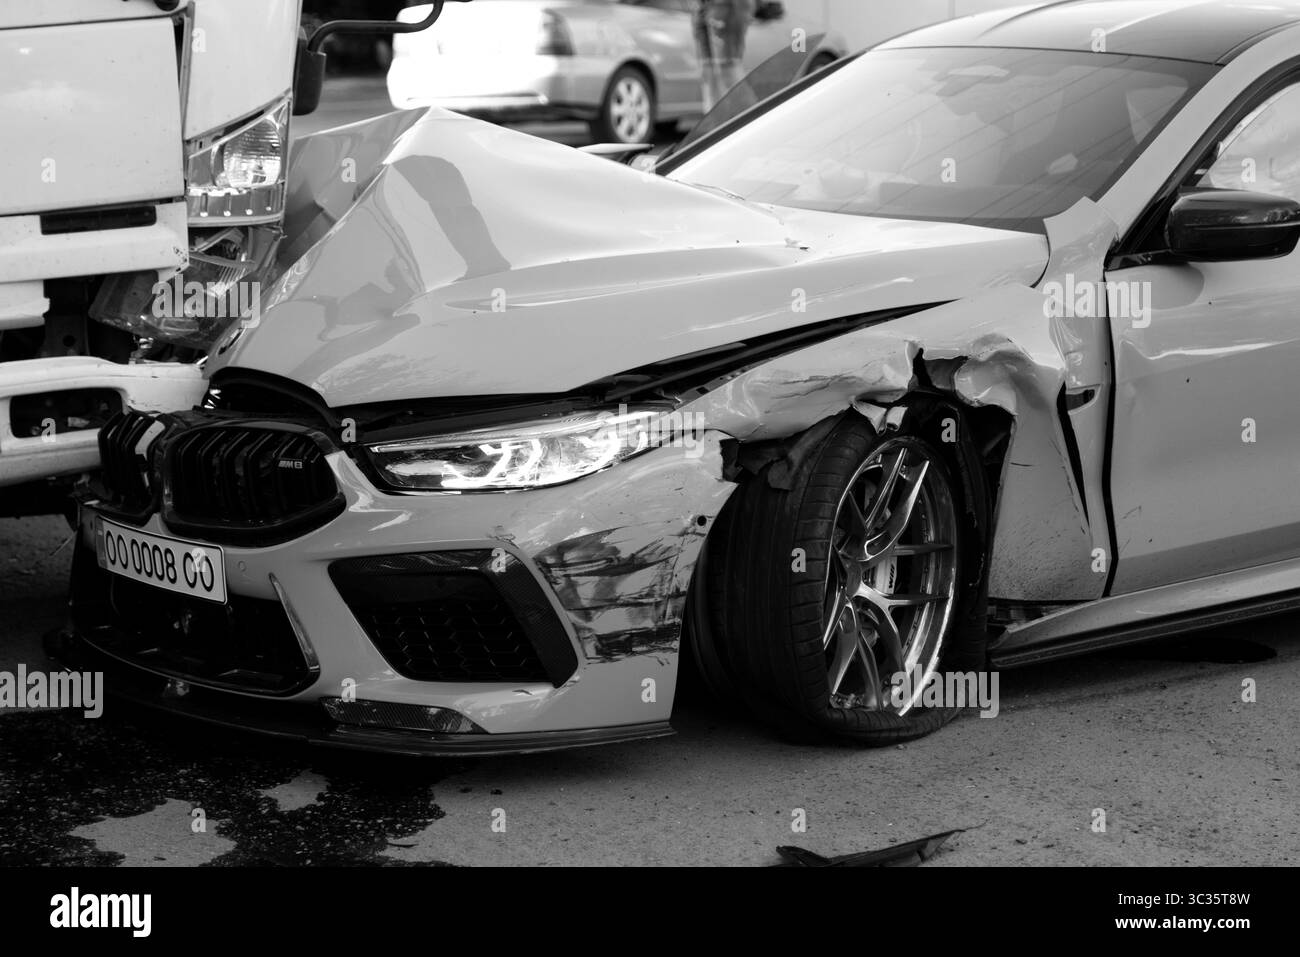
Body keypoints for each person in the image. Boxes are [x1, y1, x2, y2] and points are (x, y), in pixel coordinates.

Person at [693, 0, 756, 112]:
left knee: (727, 70)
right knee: (707, 72)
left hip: (727, 5)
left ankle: (756, 120)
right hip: (703, 5)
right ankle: (716, 125)